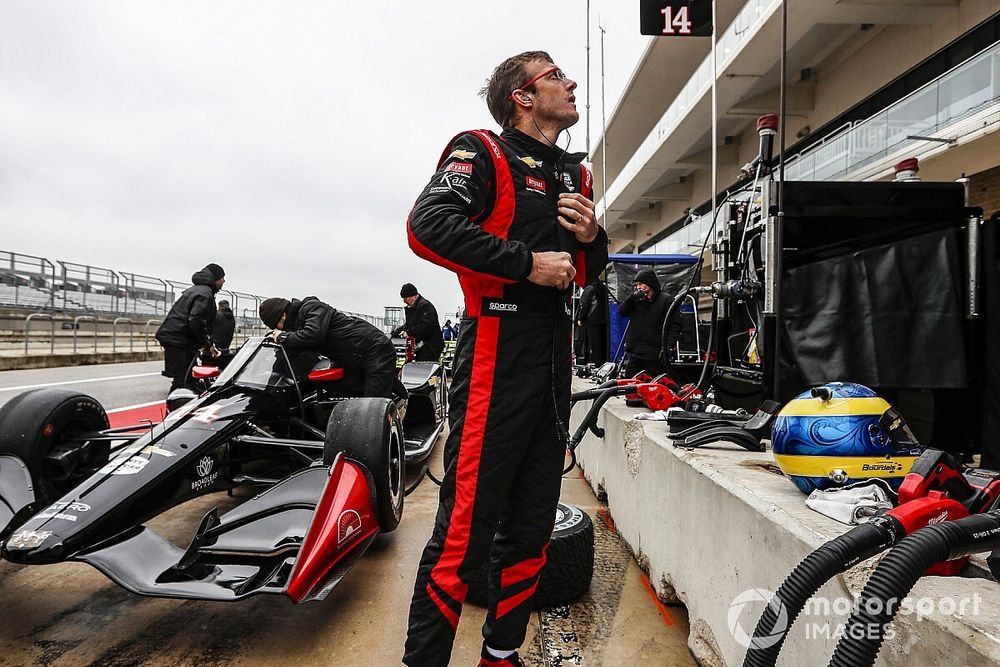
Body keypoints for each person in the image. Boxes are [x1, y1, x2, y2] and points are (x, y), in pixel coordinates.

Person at [403, 51, 608, 667]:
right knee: (462, 535)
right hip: (494, 356)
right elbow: (426, 225)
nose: (571, 83)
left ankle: (501, 655)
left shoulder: (576, 175)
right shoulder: (482, 152)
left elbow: (586, 277)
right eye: (556, 76)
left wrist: (592, 239)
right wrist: (525, 264)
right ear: (522, 95)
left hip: (553, 366)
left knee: (533, 531)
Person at [258, 296, 398, 399]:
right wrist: (269, 380)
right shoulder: (297, 327)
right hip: (356, 356)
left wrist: (283, 337)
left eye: (277, 326)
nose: (278, 330)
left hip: (377, 350)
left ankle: (381, 430)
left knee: (373, 404)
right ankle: (392, 388)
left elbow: (313, 334)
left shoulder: (311, 307)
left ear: (283, 315)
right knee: (337, 391)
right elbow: (289, 355)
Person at [155, 263, 224, 393]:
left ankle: (179, 405)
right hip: (179, 340)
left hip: (176, 337)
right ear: (216, 278)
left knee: (186, 378)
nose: (224, 281)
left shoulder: (197, 290)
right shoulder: (205, 294)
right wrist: (206, 342)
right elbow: (196, 319)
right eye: (222, 278)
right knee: (184, 380)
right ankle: (177, 408)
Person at [619, 268, 671, 378]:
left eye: (641, 284)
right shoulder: (636, 300)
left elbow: (674, 325)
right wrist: (632, 298)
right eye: (637, 284)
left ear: (649, 283)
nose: (638, 287)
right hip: (635, 352)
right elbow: (622, 311)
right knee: (630, 386)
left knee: (653, 386)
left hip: (654, 354)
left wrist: (668, 346)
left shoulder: (665, 300)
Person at [392, 283, 445, 362]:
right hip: (423, 345)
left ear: (413, 296)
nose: (404, 301)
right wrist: (396, 332)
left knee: (424, 368)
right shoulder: (415, 307)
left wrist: (409, 332)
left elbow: (427, 325)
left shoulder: (425, 306)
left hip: (430, 346)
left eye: (405, 298)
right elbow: (409, 324)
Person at [577, 281, 608, 365]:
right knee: (600, 344)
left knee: (591, 344)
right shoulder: (605, 288)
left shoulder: (589, 288)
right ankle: (600, 362)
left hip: (591, 320)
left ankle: (592, 362)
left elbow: (585, 305)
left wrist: (580, 318)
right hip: (604, 320)